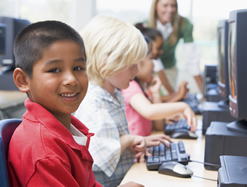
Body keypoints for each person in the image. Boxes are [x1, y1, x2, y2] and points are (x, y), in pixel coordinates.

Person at [8, 20, 142, 187]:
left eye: (78, 68)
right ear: (23, 80)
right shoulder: (44, 151)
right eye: (55, 70)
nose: (71, 79)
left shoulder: (67, 128)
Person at [74, 15, 171, 187]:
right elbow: (98, 158)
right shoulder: (94, 103)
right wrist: (129, 140)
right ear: (107, 62)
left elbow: (109, 142)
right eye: (131, 64)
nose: (136, 71)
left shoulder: (114, 94)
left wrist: (131, 143)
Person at [121, 35, 197, 137]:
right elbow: (149, 111)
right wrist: (183, 107)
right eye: (151, 59)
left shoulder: (140, 88)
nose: (153, 65)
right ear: (137, 62)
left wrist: (155, 93)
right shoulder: (130, 87)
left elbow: (159, 126)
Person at [147, 0, 203, 93]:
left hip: (170, 67)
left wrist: (203, 93)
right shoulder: (147, 26)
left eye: (173, 6)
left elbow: (192, 57)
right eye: (165, 5)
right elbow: (155, 61)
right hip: (149, 68)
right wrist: (174, 94)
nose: (170, 10)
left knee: (168, 99)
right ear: (156, 6)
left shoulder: (183, 23)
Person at [135, 23, 189, 103]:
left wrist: (178, 94)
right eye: (159, 48)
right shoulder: (133, 87)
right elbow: (153, 111)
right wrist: (178, 96)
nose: (162, 52)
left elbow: (157, 103)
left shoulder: (148, 78)